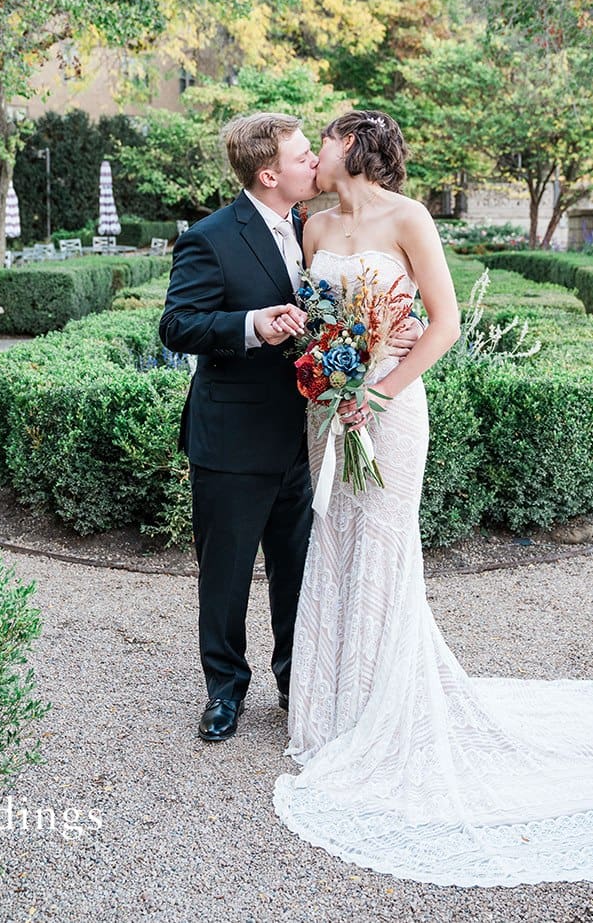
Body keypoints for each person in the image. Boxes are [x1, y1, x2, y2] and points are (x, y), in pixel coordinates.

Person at [272, 109, 593, 887]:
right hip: (330, 412)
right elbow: (317, 324)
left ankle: (379, 715)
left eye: (323, 140)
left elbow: (442, 324)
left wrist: (376, 392)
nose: (314, 151)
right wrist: (328, 375)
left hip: (391, 408)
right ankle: (329, 713)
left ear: (352, 146)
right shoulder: (313, 230)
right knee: (336, 540)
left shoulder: (410, 218)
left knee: (382, 540)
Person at [157, 112, 420, 742]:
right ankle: (224, 691)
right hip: (232, 439)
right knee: (225, 573)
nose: (313, 162)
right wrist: (250, 325)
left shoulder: (314, 226)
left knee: (298, 569)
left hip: (308, 433)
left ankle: (293, 680)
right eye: (302, 156)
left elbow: (347, 310)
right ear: (268, 172)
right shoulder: (210, 237)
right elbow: (177, 325)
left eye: (314, 152)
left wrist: (389, 332)